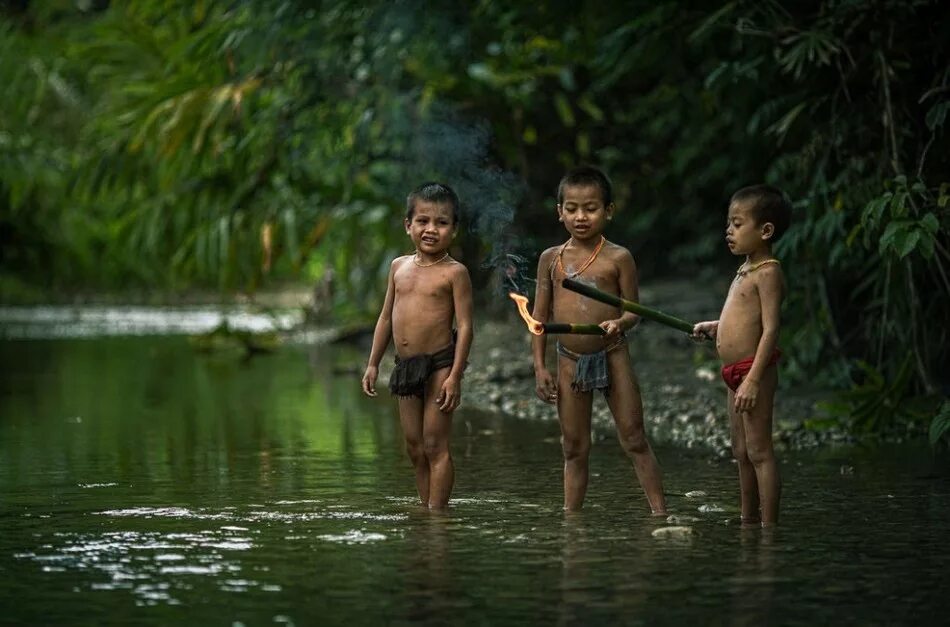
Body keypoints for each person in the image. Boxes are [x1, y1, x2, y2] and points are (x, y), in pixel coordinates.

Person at [532, 165, 666, 514]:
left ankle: (660, 513)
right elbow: (539, 320)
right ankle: (571, 521)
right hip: (568, 359)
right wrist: (538, 367)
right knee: (574, 447)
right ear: (559, 211)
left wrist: (620, 323)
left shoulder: (618, 257)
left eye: (591, 208)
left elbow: (633, 310)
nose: (581, 217)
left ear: (608, 210)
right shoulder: (551, 259)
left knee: (634, 438)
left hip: (612, 353)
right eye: (572, 208)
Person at [361, 182, 474, 510]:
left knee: (434, 443)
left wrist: (455, 375)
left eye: (441, 222)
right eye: (423, 221)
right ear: (407, 225)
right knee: (414, 446)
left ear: (453, 230)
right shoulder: (398, 267)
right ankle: (426, 507)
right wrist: (372, 363)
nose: (431, 229)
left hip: (440, 365)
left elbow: (465, 326)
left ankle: (438, 517)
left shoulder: (455, 273)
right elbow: (385, 318)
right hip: (405, 366)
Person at [692, 184, 792, 527]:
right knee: (740, 451)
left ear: (765, 230)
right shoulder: (745, 268)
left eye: (737, 224)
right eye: (728, 225)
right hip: (733, 371)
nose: (729, 231)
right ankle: (748, 519)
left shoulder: (768, 272)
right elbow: (741, 319)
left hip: (754, 372)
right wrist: (716, 326)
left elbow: (770, 329)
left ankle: (769, 529)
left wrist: (752, 380)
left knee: (760, 451)